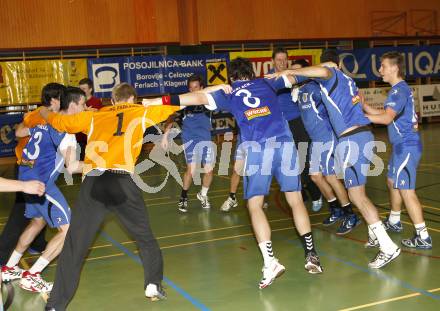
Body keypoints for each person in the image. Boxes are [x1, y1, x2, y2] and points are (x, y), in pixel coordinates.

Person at [143, 57, 323, 289]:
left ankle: (270, 262)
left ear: (231, 77)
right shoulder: (268, 82)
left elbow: (193, 97)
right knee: (295, 200)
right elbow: (308, 74)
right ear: (251, 72)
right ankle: (312, 255)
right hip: (284, 145)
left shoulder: (227, 92)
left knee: (255, 205)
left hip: (258, 149)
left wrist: (158, 100)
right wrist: (322, 68)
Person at [40, 83, 182, 310]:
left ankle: (56, 305)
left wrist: (43, 111)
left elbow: (59, 121)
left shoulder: (95, 116)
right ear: (133, 98)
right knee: (144, 237)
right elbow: (177, 103)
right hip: (121, 181)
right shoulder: (141, 112)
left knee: (74, 247)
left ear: (112, 101)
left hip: (93, 181)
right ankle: (153, 284)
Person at [268, 49, 400, 269]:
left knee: (356, 196)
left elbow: (323, 71)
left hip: (352, 138)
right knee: (359, 194)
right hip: (359, 136)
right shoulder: (347, 80)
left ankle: (388, 247)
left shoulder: (330, 74)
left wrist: (290, 70)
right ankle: (376, 234)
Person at [1, 87, 84, 293]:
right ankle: (33, 275)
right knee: (70, 231)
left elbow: (23, 132)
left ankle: (9, 267)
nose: (85, 108)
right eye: (83, 104)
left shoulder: (42, 122)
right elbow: (72, 167)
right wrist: (99, 164)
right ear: (72, 106)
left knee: (37, 223)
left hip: (25, 178)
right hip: (40, 185)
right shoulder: (66, 133)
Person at [363, 51, 432, 249]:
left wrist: (361, 119)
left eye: (383, 66)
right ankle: (394, 220)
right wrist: (364, 106)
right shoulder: (398, 90)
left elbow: (385, 119)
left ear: (394, 68)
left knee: (406, 191)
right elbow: (386, 114)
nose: (380, 70)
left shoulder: (398, 91)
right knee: (392, 181)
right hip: (401, 147)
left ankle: (423, 235)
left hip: (407, 147)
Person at [0, 83, 65, 266]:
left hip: (36, 169)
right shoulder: (43, 116)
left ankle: (36, 244)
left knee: (40, 215)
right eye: (62, 98)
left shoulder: (42, 115)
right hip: (27, 170)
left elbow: (20, 131)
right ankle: (2, 259)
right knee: (19, 217)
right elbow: (20, 132)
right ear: (54, 100)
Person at [294, 59, 361, 235]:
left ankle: (350, 214)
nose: (295, 74)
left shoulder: (317, 87)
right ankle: (335, 209)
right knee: (315, 176)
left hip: (326, 137)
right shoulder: (300, 91)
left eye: (298, 71)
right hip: (315, 140)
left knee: (331, 177)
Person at [270, 47, 322, 211]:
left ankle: (316, 194)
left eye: (284, 59)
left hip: (297, 122)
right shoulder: (269, 80)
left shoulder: (294, 76)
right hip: (279, 127)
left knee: (303, 161)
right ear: (273, 61)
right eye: (278, 59)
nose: (281, 62)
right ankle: (303, 195)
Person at [161, 74, 215, 212]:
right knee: (191, 170)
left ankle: (203, 195)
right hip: (189, 138)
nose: (193, 91)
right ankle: (183, 197)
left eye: (196, 87)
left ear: (202, 88)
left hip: (205, 138)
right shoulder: (184, 102)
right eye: (190, 88)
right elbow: (171, 116)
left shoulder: (209, 101)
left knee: (209, 171)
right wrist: (165, 136)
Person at [77, 78, 103, 160]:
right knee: (80, 160)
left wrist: (88, 111)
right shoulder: (75, 102)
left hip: (91, 137)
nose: (81, 91)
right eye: (80, 89)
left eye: (84, 89)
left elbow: (99, 119)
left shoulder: (96, 102)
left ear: (90, 89)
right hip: (79, 137)